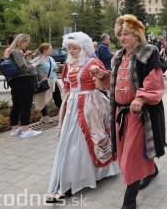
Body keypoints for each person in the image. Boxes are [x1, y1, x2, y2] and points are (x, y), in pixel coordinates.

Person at [92, 15, 166, 208]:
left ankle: (129, 202)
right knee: (126, 152)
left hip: (139, 115)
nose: (122, 37)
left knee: (132, 155)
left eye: (127, 34)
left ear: (137, 35)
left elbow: (155, 80)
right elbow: (117, 82)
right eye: (120, 34)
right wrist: (103, 76)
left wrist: (141, 97)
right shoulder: (118, 56)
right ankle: (152, 170)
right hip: (120, 114)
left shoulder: (149, 53)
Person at [47, 32, 119, 203]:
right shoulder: (68, 65)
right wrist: (64, 105)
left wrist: (100, 74)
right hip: (72, 106)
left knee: (90, 139)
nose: (71, 51)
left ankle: (94, 173)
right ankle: (69, 180)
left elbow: (102, 86)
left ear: (84, 47)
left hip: (90, 106)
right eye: (69, 48)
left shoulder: (92, 63)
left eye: (75, 48)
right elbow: (67, 86)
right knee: (69, 141)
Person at [5, 34, 47, 139]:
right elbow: (24, 68)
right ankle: (25, 130)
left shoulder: (11, 52)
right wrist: (36, 63)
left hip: (15, 81)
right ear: (21, 42)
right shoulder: (17, 52)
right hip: (24, 81)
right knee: (26, 106)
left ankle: (15, 129)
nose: (27, 45)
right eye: (26, 43)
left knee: (17, 105)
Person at [32, 43, 62, 124]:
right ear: (45, 50)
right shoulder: (38, 59)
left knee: (58, 98)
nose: (52, 50)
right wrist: (39, 73)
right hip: (44, 82)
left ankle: (64, 114)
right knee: (42, 99)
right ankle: (45, 116)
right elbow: (31, 67)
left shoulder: (51, 58)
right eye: (50, 49)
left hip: (53, 81)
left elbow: (51, 67)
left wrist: (55, 69)